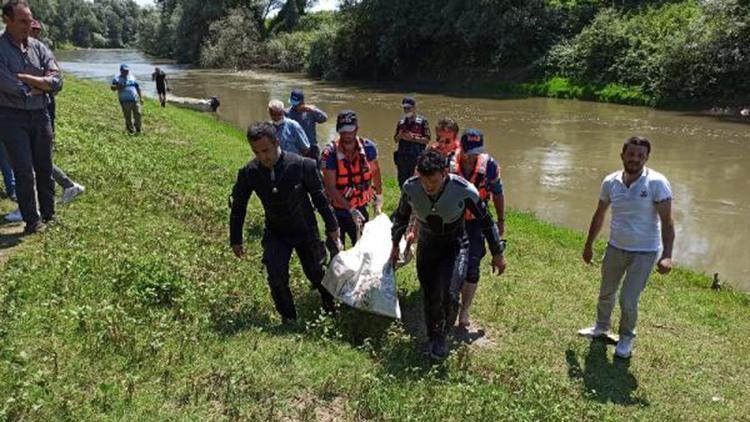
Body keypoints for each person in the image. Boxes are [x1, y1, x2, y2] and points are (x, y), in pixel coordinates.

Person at [390, 149, 507, 360]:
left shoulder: (464, 190)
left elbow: (486, 222)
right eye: (425, 181)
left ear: (445, 173)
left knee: (450, 295)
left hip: (455, 245)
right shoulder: (411, 188)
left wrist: (497, 252)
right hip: (428, 246)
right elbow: (400, 217)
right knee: (430, 294)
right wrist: (394, 246)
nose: (429, 187)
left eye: (434, 181)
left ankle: (442, 336)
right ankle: (432, 336)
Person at [229, 122, 342, 323]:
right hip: (276, 232)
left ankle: (330, 307)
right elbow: (239, 206)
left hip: (305, 230)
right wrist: (235, 238)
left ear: (276, 142)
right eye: (257, 152)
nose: (263, 156)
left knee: (316, 274)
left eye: (266, 150)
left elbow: (320, 199)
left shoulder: (302, 165)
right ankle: (289, 318)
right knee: (276, 275)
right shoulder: (249, 172)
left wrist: (332, 227)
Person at [578, 136, 675, 359]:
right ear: (622, 155)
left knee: (628, 300)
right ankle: (601, 327)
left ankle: (626, 338)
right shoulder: (611, 181)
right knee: (606, 293)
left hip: (645, 252)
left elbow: (668, 220)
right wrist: (588, 244)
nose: (635, 159)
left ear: (646, 158)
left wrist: (668, 255)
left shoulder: (657, 183)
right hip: (615, 248)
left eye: (640, 155)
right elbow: (599, 214)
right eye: (631, 154)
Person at [0, 0, 63, 234]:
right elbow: (8, 84)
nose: (29, 25)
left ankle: (49, 215)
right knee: (24, 170)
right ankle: (32, 221)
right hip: (10, 117)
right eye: (22, 21)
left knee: (44, 167)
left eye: (30, 20)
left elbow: (58, 80)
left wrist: (32, 81)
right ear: (7, 20)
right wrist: (41, 86)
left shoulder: (39, 47)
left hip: (40, 114)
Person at [448, 129, 505, 328]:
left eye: (476, 151)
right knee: (448, 264)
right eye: (468, 151)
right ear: (460, 147)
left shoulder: (490, 166)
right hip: (450, 222)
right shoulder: (447, 163)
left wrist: (501, 220)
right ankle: (446, 305)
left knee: (473, 266)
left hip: (476, 223)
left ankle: (464, 311)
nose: (472, 156)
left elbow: (498, 193)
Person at [30, 18, 85, 205]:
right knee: (30, 157)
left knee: (37, 157)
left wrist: (35, 89)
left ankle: (63, 188)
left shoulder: (42, 53)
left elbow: (55, 84)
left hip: (42, 109)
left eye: (35, 30)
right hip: (25, 110)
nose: (32, 33)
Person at [321, 110, 383, 247]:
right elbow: (330, 187)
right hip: (337, 211)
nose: (347, 134)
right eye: (343, 131)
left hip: (360, 207)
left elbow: (375, 171)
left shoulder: (368, 148)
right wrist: (350, 209)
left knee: (363, 248)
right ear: (338, 130)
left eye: (350, 130)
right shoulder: (330, 153)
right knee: (336, 251)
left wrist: (379, 196)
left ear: (357, 129)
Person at [393, 96, 430, 188]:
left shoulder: (422, 122)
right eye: (405, 108)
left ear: (414, 108)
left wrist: (413, 138)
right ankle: (404, 200)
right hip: (402, 158)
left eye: (408, 108)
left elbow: (427, 140)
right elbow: (395, 140)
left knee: (417, 183)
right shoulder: (401, 122)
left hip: (416, 157)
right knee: (402, 182)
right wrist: (400, 135)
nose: (406, 110)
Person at [285, 88, 327, 164]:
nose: (294, 106)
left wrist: (313, 110)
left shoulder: (310, 111)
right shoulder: (287, 113)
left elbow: (324, 118)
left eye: (297, 104)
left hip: (312, 147)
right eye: (293, 104)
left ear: (302, 102)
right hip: (296, 148)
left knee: (315, 172)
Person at [111, 63, 143, 134]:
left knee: (138, 114)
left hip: (135, 99)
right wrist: (118, 87)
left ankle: (138, 128)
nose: (126, 72)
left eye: (127, 70)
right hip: (124, 101)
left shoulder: (132, 77)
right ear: (121, 70)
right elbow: (112, 88)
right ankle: (130, 130)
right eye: (125, 70)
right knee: (128, 116)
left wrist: (141, 97)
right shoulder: (117, 78)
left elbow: (138, 87)